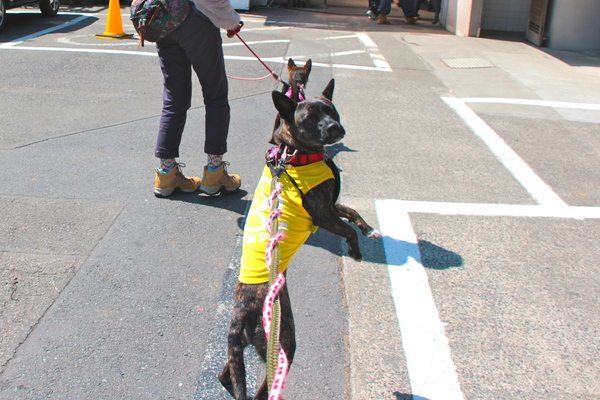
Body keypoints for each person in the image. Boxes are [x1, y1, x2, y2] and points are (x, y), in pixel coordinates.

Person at [153, 0, 244, 198]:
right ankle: (214, 172)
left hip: (162, 18)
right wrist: (232, 21)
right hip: (194, 21)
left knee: (174, 99)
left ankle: (166, 174)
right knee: (215, 96)